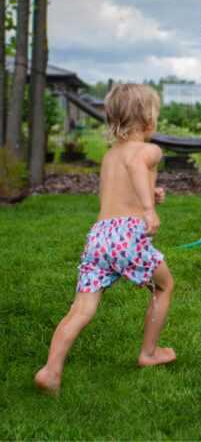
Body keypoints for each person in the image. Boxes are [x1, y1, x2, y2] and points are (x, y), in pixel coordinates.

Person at [34, 84, 175, 394]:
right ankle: (149, 353)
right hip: (126, 236)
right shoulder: (149, 150)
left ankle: (51, 369)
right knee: (164, 285)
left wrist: (147, 195)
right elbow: (137, 165)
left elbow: (120, 188)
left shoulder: (110, 155)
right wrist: (149, 210)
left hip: (99, 235)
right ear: (148, 119)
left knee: (81, 309)